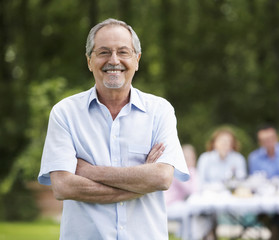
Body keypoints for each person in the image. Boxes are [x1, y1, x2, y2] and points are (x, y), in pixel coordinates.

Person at [38, 18, 189, 240]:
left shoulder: (160, 111)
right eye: (104, 52)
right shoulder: (65, 113)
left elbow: (161, 179)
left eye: (123, 52)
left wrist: (88, 171)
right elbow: (63, 187)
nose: (114, 60)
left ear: (137, 60)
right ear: (90, 61)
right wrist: (140, 182)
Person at [248, 125, 279, 240]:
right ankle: (276, 234)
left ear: (277, 138)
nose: (269, 142)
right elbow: (254, 181)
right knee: (264, 213)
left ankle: (276, 234)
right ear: (260, 142)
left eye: (271, 138)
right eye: (264, 140)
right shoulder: (254, 157)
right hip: (263, 201)